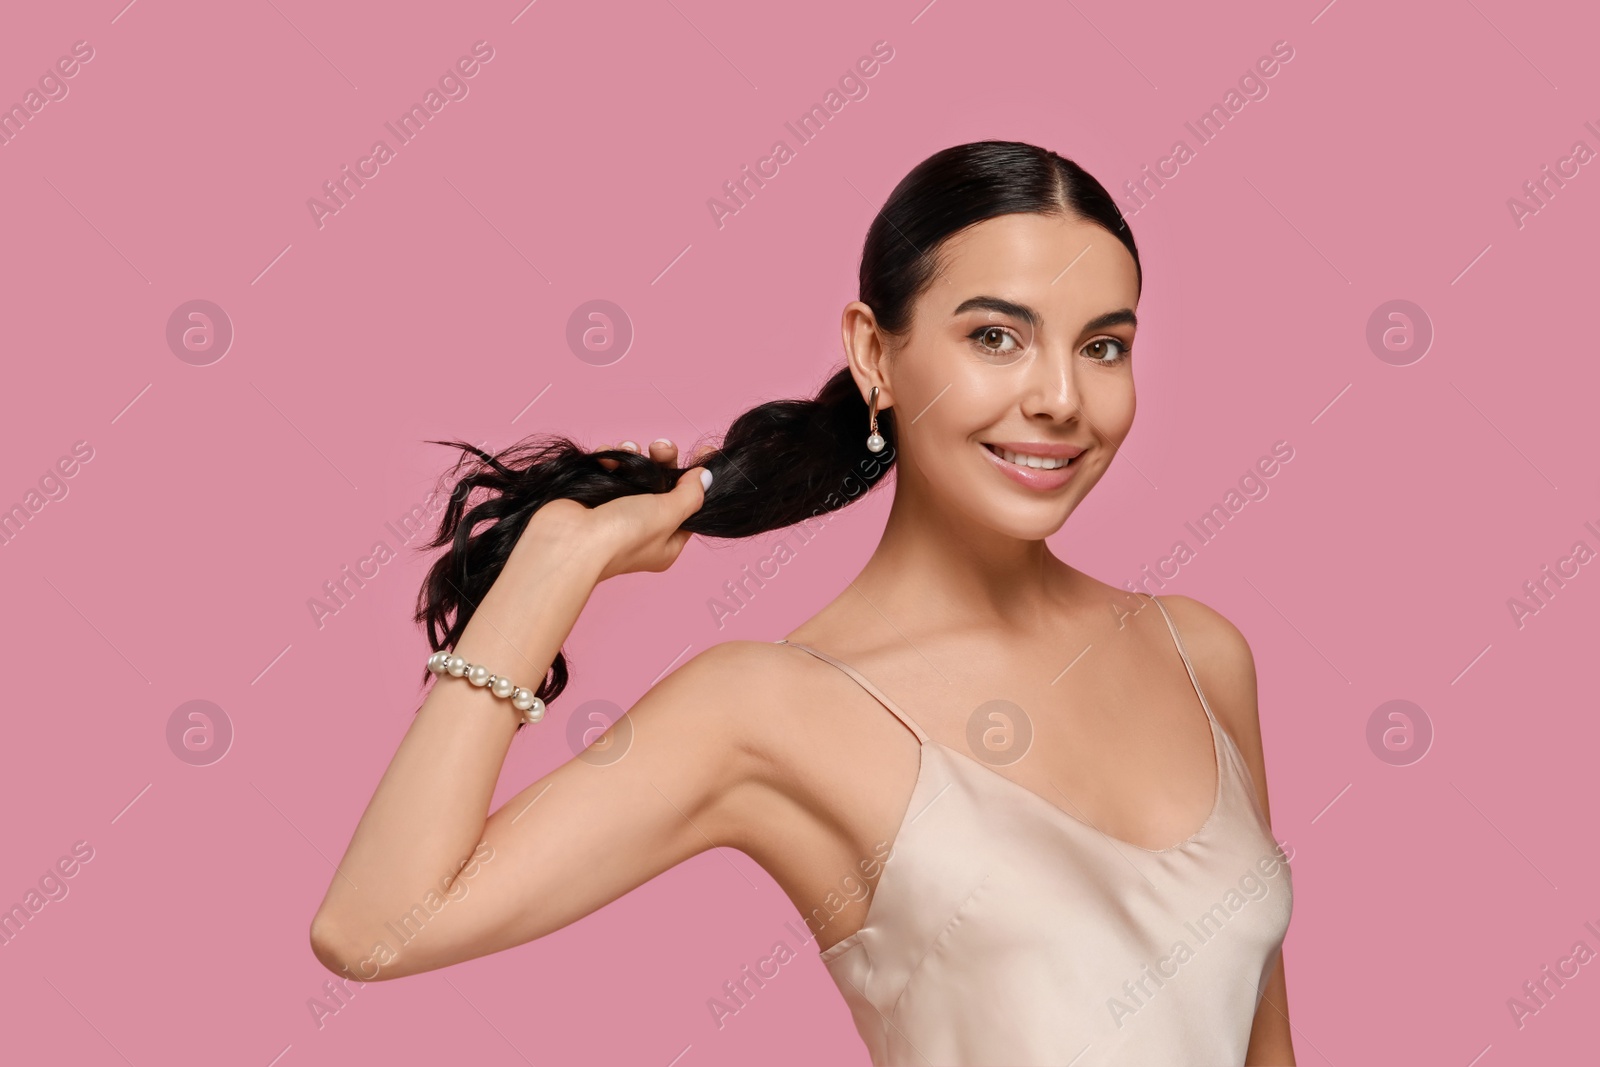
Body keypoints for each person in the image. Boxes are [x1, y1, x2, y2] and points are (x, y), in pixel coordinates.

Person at [309, 140, 1296, 1066]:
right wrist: (554, 564)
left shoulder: (1197, 651)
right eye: (996, 336)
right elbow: (373, 924)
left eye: (1103, 346)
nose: (1058, 398)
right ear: (874, 353)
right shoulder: (768, 705)